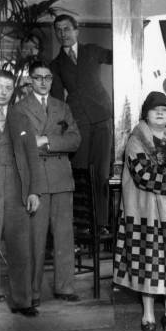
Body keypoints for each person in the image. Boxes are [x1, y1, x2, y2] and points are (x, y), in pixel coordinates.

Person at [113, 91, 166, 331]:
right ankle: (147, 315)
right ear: (146, 113)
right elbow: (144, 176)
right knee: (149, 263)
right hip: (146, 211)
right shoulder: (137, 140)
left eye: (165, 110)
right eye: (155, 109)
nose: (160, 113)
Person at [0, 70, 42, 323]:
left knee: (20, 248)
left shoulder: (20, 117)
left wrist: (33, 190)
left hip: (16, 190)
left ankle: (22, 301)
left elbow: (32, 157)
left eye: (9, 88)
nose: (4, 92)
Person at [14, 60, 82, 307]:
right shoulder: (20, 109)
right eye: (38, 77)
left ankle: (65, 287)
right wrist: (43, 143)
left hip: (62, 179)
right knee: (35, 237)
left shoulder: (62, 107)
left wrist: (45, 140)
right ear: (30, 80)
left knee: (65, 236)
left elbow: (75, 140)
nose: (43, 82)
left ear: (52, 80)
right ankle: (31, 293)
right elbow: (21, 144)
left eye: (48, 77)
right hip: (36, 180)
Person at [50, 14, 112, 229]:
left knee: (102, 173)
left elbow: (120, 55)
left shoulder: (93, 51)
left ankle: (102, 223)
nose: (62, 34)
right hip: (78, 122)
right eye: (58, 30)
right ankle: (84, 225)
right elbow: (57, 100)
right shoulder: (55, 64)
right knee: (82, 171)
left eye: (67, 28)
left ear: (77, 31)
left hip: (103, 116)